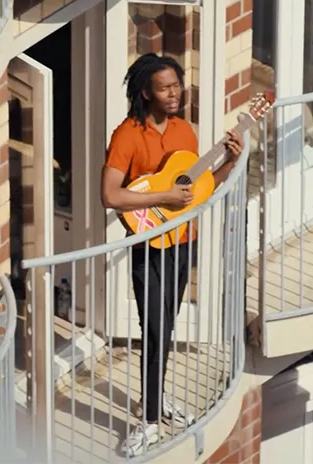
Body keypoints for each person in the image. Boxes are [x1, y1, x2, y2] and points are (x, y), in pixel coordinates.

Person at [100, 53, 244, 457]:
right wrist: (164, 195)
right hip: (149, 243)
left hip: (183, 240)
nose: (175, 93)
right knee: (155, 327)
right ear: (146, 92)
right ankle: (147, 423)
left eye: (177, 85)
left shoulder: (185, 132)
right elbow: (109, 195)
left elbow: (198, 190)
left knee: (167, 324)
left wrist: (231, 160)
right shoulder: (127, 135)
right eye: (165, 88)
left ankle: (156, 399)